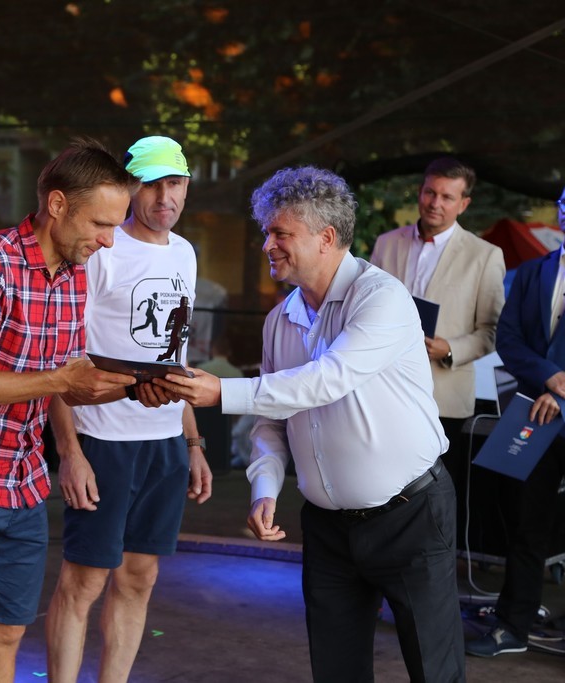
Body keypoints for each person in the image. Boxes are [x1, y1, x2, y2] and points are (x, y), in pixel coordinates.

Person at [157, 166, 464, 681]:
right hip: (326, 528)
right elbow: (272, 421)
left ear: (326, 237)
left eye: (280, 233)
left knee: (435, 672)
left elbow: (326, 380)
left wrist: (222, 391)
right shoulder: (280, 319)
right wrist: (265, 488)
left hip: (411, 516)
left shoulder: (382, 297)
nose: (267, 245)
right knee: (336, 672)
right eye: (266, 232)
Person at [0, 139, 141, 683]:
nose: (109, 240)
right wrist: (62, 379)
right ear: (57, 204)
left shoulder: (74, 274)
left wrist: (136, 389)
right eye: (101, 224)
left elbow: (66, 385)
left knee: (6, 636)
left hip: (24, 478)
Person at [44, 135, 212, 683]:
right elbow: (60, 361)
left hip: (163, 443)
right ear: (130, 188)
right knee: (84, 582)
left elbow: (175, 359)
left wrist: (192, 442)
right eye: (152, 184)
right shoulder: (101, 249)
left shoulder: (185, 252)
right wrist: (70, 453)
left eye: (176, 183)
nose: (166, 197)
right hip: (102, 440)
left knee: (140, 578)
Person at [466, 186, 565, 657]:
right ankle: (512, 628)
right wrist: (549, 378)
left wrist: (561, 395)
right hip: (531, 413)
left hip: (553, 406)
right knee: (524, 526)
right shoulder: (531, 273)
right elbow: (508, 338)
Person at [371, 156, 505, 466]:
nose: (435, 203)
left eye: (447, 197)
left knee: (440, 489)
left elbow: (493, 330)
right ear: (420, 192)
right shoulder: (386, 244)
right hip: (383, 391)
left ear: (464, 204)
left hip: (444, 397)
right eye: (430, 192)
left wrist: (450, 348)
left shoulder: (485, 256)